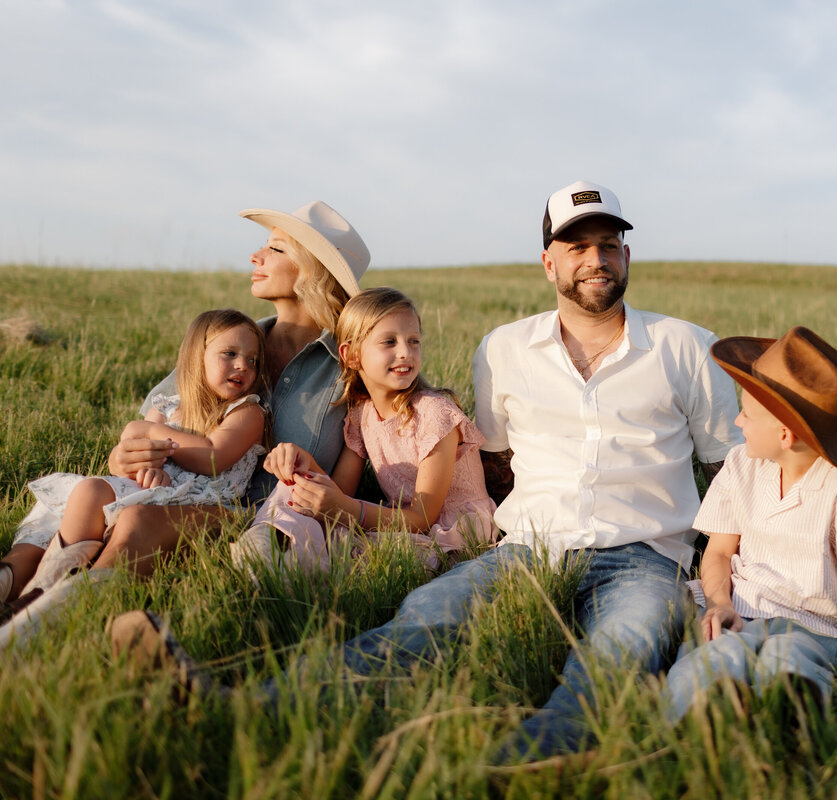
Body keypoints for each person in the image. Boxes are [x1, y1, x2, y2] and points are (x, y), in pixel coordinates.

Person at [111, 180, 742, 761]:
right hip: (527, 547)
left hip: (646, 554)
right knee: (424, 617)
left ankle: (537, 759)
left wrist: (733, 579)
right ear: (549, 262)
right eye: (576, 247)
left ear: (627, 257)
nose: (596, 260)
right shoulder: (505, 349)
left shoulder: (686, 346)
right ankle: (239, 710)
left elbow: (728, 475)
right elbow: (493, 463)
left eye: (609, 246)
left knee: (623, 649)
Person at [83, 201, 370, 581]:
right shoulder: (229, 344)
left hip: (269, 525)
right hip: (178, 496)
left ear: (312, 270)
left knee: (138, 522)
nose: (256, 256)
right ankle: (25, 600)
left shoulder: (351, 370)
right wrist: (125, 459)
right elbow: (149, 428)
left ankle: (48, 623)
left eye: (276, 248)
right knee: (74, 508)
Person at [661, 327, 837, 723]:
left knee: (792, 657)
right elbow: (718, 550)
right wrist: (719, 603)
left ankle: (792, 711)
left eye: (746, 413)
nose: (738, 420)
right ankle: (701, 713)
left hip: (811, 626)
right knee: (719, 651)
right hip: (740, 608)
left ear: (785, 435)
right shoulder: (740, 464)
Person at [0, 309, 269, 608]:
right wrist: (147, 470)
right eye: (230, 353)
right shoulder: (168, 407)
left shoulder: (247, 412)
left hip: (203, 504)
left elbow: (212, 457)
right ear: (196, 356)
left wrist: (149, 430)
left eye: (252, 360)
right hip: (160, 493)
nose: (242, 366)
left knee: (91, 496)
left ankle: (49, 598)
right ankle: (42, 586)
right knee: (87, 491)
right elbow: (134, 457)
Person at [229, 287, 497, 576]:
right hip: (398, 525)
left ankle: (296, 567)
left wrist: (345, 507)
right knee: (294, 486)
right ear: (352, 355)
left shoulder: (435, 414)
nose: (405, 352)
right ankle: (263, 548)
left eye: (414, 341)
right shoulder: (362, 414)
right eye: (389, 342)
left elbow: (422, 517)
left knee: (373, 560)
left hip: (448, 534)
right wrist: (303, 465)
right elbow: (340, 492)